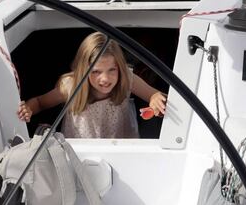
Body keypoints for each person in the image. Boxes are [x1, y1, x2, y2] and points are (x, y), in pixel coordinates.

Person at [17, 32, 167, 138]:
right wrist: (28, 109)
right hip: (80, 153)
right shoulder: (71, 85)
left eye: (112, 70)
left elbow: (153, 94)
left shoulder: (126, 78)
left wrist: (155, 101)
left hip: (121, 149)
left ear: (119, 68)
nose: (105, 78)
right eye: (96, 72)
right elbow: (39, 103)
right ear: (83, 70)